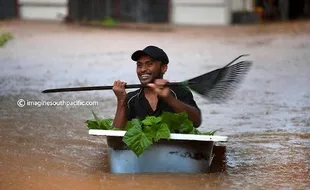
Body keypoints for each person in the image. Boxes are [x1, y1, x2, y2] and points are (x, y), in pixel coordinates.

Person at [112, 45, 202, 129]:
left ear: (163, 68)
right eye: (139, 65)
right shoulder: (130, 99)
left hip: (176, 145)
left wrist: (169, 99)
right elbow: (114, 142)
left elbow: (196, 122)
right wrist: (121, 101)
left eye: (149, 64)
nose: (143, 69)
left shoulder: (179, 91)